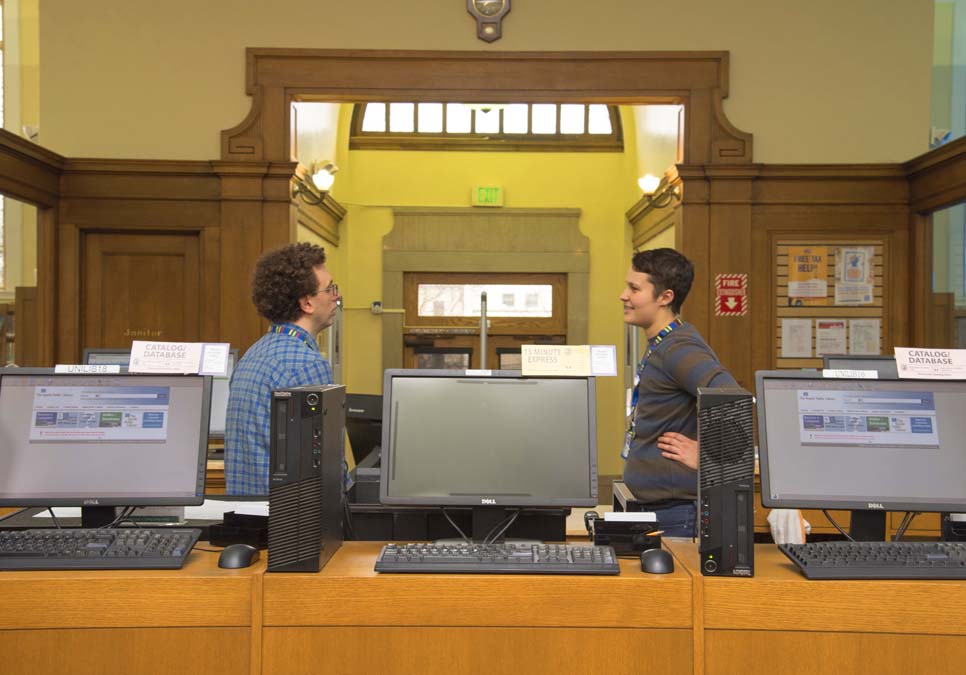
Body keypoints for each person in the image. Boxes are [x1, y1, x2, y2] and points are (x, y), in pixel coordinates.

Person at [619, 248, 737, 537]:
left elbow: (733, 397)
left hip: (675, 515)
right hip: (659, 509)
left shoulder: (678, 348)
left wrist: (708, 454)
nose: (624, 295)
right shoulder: (664, 343)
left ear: (665, 297)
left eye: (634, 288)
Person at [225, 242, 341, 495]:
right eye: (330, 289)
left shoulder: (253, 355)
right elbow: (322, 467)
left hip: (248, 517)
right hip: (287, 524)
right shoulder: (305, 364)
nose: (336, 296)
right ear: (306, 303)